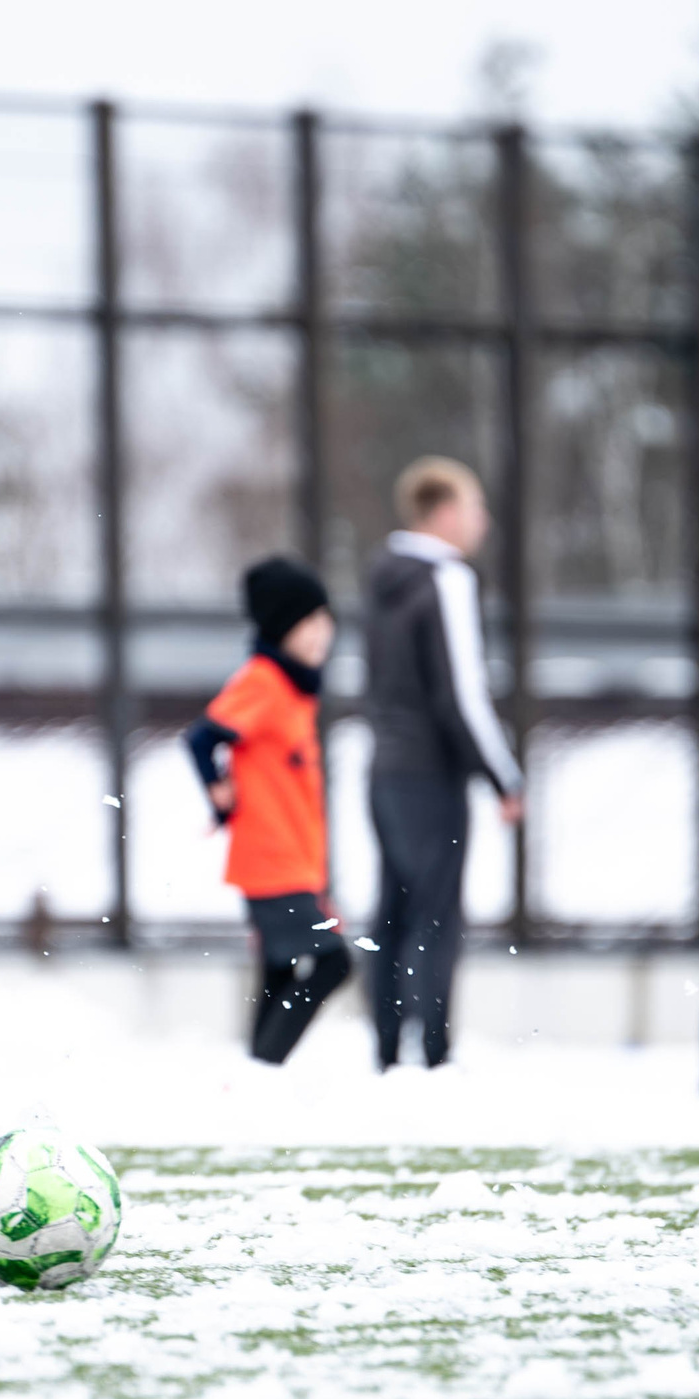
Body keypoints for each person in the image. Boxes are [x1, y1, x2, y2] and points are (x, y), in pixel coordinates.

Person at [363, 456, 523, 1071]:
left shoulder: (381, 575)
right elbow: (462, 691)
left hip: (382, 769)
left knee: (394, 910)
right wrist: (504, 776)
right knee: (436, 913)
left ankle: (385, 1051)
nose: (481, 523)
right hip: (430, 775)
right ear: (448, 511)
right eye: (476, 509)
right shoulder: (447, 579)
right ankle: (434, 1053)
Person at [185, 557, 349, 1065]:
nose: (324, 633)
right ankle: (264, 1067)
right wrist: (216, 788)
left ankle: (256, 1071)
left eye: (327, 620)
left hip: (297, 865)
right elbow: (201, 737)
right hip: (270, 863)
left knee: (281, 970)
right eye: (310, 622)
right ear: (282, 628)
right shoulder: (264, 681)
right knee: (333, 964)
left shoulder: (296, 693)